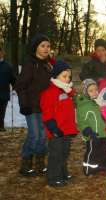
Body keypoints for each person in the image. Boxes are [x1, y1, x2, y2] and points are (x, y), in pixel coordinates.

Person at [15, 34, 52, 176]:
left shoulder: (49, 65)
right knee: (35, 135)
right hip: (31, 106)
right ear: (36, 47)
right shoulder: (30, 63)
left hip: (45, 107)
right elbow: (21, 85)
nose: (46, 49)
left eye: (48, 46)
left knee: (43, 135)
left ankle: (40, 163)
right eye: (42, 46)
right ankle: (26, 163)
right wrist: (24, 104)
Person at [40, 60, 78, 187]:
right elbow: (47, 111)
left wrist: (71, 92)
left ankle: (62, 173)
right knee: (55, 154)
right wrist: (52, 127)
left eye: (69, 76)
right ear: (56, 75)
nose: (67, 79)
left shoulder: (66, 91)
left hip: (66, 130)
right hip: (56, 130)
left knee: (64, 153)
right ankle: (53, 177)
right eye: (64, 76)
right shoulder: (50, 92)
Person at [74, 79, 106, 176]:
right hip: (93, 134)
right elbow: (82, 120)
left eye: (96, 89)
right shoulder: (83, 105)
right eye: (91, 90)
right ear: (85, 92)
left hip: (103, 133)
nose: (94, 92)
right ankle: (88, 169)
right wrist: (88, 131)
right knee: (92, 152)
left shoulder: (97, 103)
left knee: (103, 151)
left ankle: (101, 166)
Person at [0, 46, 16, 132]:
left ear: (3, 53)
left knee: (2, 111)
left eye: (1, 52)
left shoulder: (8, 66)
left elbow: (13, 78)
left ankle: (1, 126)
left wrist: (15, 86)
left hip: (4, 93)